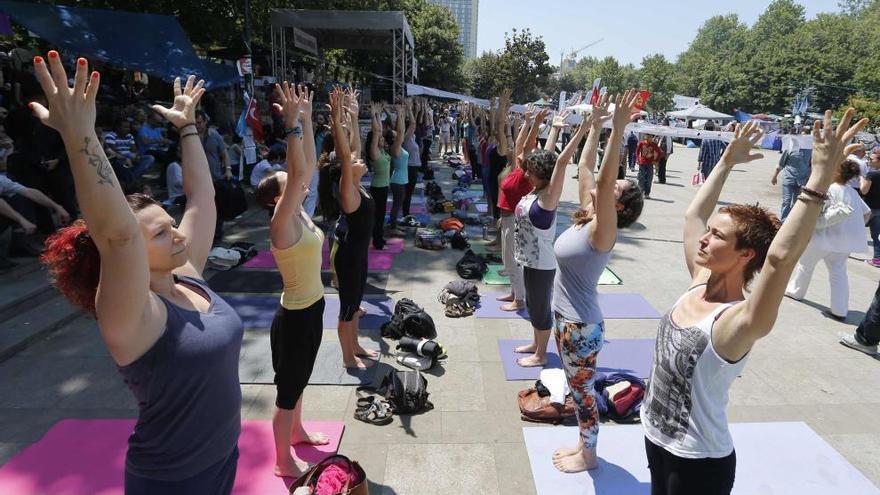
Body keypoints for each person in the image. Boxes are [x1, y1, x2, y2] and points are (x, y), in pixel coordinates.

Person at [36, 53, 244, 494]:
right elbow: (119, 237)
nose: (177, 234)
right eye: (161, 234)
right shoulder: (130, 315)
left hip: (223, 457)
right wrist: (80, 134)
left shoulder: (185, 274)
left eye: (171, 225)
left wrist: (187, 127)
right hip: (171, 479)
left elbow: (201, 197)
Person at [642, 113, 866, 495]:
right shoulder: (699, 283)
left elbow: (779, 258)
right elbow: (692, 214)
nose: (704, 239)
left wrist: (818, 180)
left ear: (745, 254)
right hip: (655, 435)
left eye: (717, 236)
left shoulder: (738, 322)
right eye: (709, 233)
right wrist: (726, 162)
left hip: (697, 462)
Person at [551, 90, 645, 473]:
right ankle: (581, 444)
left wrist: (619, 129)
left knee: (584, 395)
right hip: (566, 320)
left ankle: (589, 457)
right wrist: (595, 126)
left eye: (617, 190)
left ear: (618, 207)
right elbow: (589, 168)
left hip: (580, 326)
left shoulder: (604, 231)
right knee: (578, 390)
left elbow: (604, 183)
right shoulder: (588, 215)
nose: (611, 185)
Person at [254, 83, 330, 478]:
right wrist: (291, 126)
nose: (297, 181)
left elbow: (308, 168)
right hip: (295, 318)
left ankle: (298, 432)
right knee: (287, 392)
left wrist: (305, 118)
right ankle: (283, 461)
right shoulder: (282, 221)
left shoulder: (299, 211)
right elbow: (301, 169)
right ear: (275, 200)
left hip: (312, 308)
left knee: (300, 380)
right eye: (288, 181)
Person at [513, 108, 589, 367]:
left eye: (531, 172)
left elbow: (560, 163)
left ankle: (541, 355)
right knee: (535, 307)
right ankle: (536, 344)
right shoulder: (537, 190)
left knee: (540, 308)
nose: (526, 173)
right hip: (529, 260)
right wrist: (554, 129)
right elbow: (545, 158)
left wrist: (580, 132)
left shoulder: (548, 196)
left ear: (543, 176)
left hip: (541, 264)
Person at [785, 159, 871, 321]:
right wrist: (852, 228)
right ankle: (840, 310)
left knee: (805, 266)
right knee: (839, 274)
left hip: (821, 239)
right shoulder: (852, 192)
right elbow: (866, 213)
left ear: (837, 172)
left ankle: (795, 291)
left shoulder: (829, 189)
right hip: (843, 244)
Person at [330, 88, 377, 369]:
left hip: (359, 254)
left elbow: (354, 149)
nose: (360, 159)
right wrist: (337, 121)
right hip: (347, 256)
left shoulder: (358, 186)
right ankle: (348, 358)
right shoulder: (347, 190)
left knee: (356, 304)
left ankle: (356, 345)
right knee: (347, 309)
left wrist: (354, 114)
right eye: (354, 161)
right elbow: (347, 156)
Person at [497, 101, 542, 312]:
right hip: (506, 219)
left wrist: (534, 125)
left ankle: (520, 300)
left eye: (524, 154)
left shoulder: (527, 177)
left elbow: (526, 144)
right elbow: (520, 143)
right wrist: (527, 121)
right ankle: (515, 292)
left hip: (514, 221)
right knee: (508, 259)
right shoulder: (517, 169)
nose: (520, 152)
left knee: (514, 260)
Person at [366, 102, 391, 249]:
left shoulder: (382, 151)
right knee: (378, 216)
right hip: (378, 188)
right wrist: (373, 115)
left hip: (383, 186)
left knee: (381, 215)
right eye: (380, 139)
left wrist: (379, 114)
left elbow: (379, 131)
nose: (382, 138)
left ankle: (379, 237)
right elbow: (376, 132)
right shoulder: (374, 152)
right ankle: (377, 242)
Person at [771, 128, 810, 221]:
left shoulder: (811, 152)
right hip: (788, 178)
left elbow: (812, 167)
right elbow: (781, 164)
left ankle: (792, 221)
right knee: (786, 201)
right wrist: (774, 176)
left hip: (802, 181)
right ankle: (783, 222)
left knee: (797, 203)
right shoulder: (789, 149)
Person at [387, 103, 409, 233]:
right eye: (396, 135)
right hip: (397, 181)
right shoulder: (394, 148)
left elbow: (400, 130)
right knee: (397, 203)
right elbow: (401, 131)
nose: (399, 135)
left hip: (400, 180)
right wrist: (400, 114)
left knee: (399, 203)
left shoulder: (396, 146)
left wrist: (400, 115)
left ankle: (393, 222)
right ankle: (393, 227)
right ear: (394, 138)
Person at [402, 99, 422, 218]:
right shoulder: (406, 138)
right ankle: (405, 213)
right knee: (408, 193)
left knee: (408, 192)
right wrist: (409, 109)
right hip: (410, 168)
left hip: (413, 168)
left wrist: (416, 110)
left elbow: (414, 123)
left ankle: (406, 211)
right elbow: (413, 124)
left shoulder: (411, 137)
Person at [860, 151, 880, 267]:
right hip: (878, 209)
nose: (869, 161)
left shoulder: (871, 174)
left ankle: (841, 251)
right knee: (876, 234)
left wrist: (862, 179)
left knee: (853, 228)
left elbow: (864, 190)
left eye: (872, 159)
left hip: (867, 208)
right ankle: (877, 258)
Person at [636, 134, 662, 198]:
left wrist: (656, 160)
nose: (649, 138)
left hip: (650, 164)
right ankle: (640, 192)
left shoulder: (654, 145)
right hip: (642, 163)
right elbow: (637, 152)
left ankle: (647, 193)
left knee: (649, 179)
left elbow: (660, 152)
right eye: (648, 136)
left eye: (650, 137)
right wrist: (637, 159)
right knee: (641, 178)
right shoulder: (641, 143)